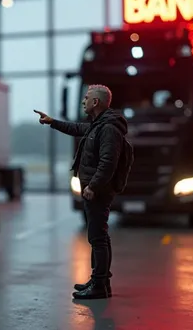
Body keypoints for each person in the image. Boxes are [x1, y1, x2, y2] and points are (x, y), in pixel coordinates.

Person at [34, 84, 127, 300]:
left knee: (98, 238)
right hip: (94, 189)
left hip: (98, 191)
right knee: (99, 237)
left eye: (86, 98)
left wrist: (93, 186)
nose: (83, 101)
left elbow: (108, 162)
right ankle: (100, 281)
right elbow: (76, 129)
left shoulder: (108, 129)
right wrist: (52, 122)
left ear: (96, 102)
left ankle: (99, 285)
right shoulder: (98, 125)